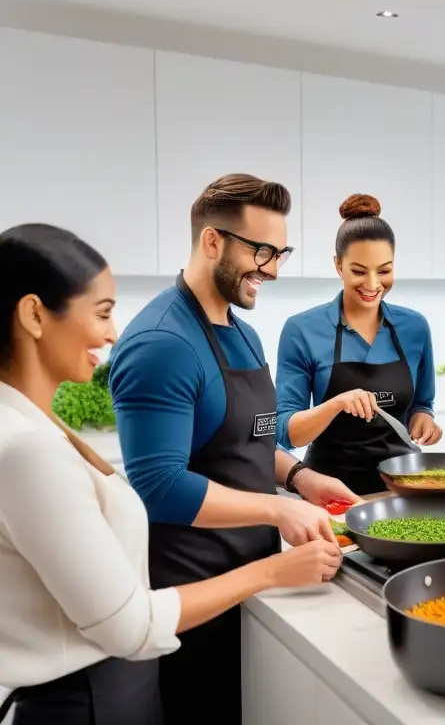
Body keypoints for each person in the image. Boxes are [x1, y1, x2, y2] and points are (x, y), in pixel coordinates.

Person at [0, 224, 340, 725]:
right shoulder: (30, 449)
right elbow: (129, 625)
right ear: (33, 315)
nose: (114, 333)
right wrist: (271, 570)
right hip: (90, 696)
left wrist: (299, 479)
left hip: (116, 684)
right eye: (101, 312)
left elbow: (244, 439)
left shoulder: (35, 421)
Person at [107, 174, 357, 725]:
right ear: (212, 242)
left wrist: (299, 479)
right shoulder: (162, 345)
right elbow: (158, 486)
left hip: (256, 574)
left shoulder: (239, 330)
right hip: (195, 595)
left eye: (280, 251)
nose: (272, 267)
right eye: (261, 250)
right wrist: (277, 507)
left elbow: (245, 438)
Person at [276, 194, 441, 495]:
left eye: (385, 270)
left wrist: (424, 419)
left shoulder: (414, 327)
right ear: (338, 265)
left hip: (403, 489)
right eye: (359, 271)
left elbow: (422, 404)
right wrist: (337, 404)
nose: (373, 284)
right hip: (330, 493)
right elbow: (286, 431)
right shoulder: (302, 330)